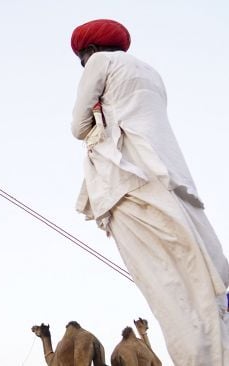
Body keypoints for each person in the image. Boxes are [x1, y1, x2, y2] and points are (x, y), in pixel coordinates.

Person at [70, 18, 229, 365]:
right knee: (196, 278)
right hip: (172, 181)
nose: (82, 66)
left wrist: (97, 113)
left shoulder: (100, 62)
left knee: (166, 288)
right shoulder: (151, 73)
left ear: (90, 51)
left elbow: (78, 127)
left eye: (81, 58)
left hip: (127, 184)